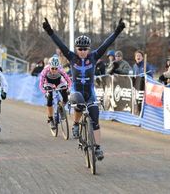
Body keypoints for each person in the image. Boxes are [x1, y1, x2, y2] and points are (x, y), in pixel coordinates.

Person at [42, 17, 125, 161]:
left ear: (89, 49)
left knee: (95, 117)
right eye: (79, 49)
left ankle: (98, 147)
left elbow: (107, 43)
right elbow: (60, 44)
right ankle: (75, 124)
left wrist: (117, 31)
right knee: (79, 102)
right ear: (76, 49)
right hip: (76, 91)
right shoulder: (71, 57)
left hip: (90, 92)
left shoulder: (94, 57)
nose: (82, 52)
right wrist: (50, 32)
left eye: (85, 49)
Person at [39, 56, 72, 129]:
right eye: (52, 68)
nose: (54, 70)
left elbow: (69, 81)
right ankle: (50, 119)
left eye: (56, 68)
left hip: (58, 82)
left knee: (65, 96)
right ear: (49, 66)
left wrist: (68, 88)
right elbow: (40, 84)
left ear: (58, 67)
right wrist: (45, 92)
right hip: (48, 83)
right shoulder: (45, 70)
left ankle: (61, 108)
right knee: (49, 99)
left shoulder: (60, 69)